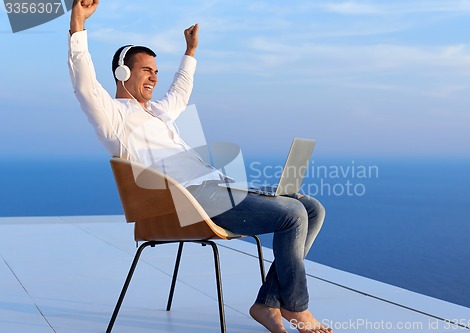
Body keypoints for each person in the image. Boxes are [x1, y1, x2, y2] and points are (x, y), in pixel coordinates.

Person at [68, 1, 331, 332]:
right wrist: (78, 22)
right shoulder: (114, 117)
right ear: (122, 72)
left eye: (156, 71)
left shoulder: (157, 113)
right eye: (146, 69)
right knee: (292, 214)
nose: (154, 76)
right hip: (189, 205)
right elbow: (83, 83)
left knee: (311, 208)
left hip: (216, 190)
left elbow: (180, 91)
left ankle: (268, 304)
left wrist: (190, 52)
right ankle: (294, 307)